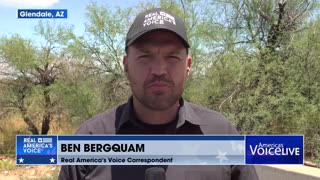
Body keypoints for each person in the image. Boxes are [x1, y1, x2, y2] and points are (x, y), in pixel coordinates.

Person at [59, 8, 259, 180]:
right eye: (145, 57)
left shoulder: (222, 134)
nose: (159, 70)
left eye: (172, 57)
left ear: (187, 66)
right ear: (126, 66)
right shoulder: (90, 138)